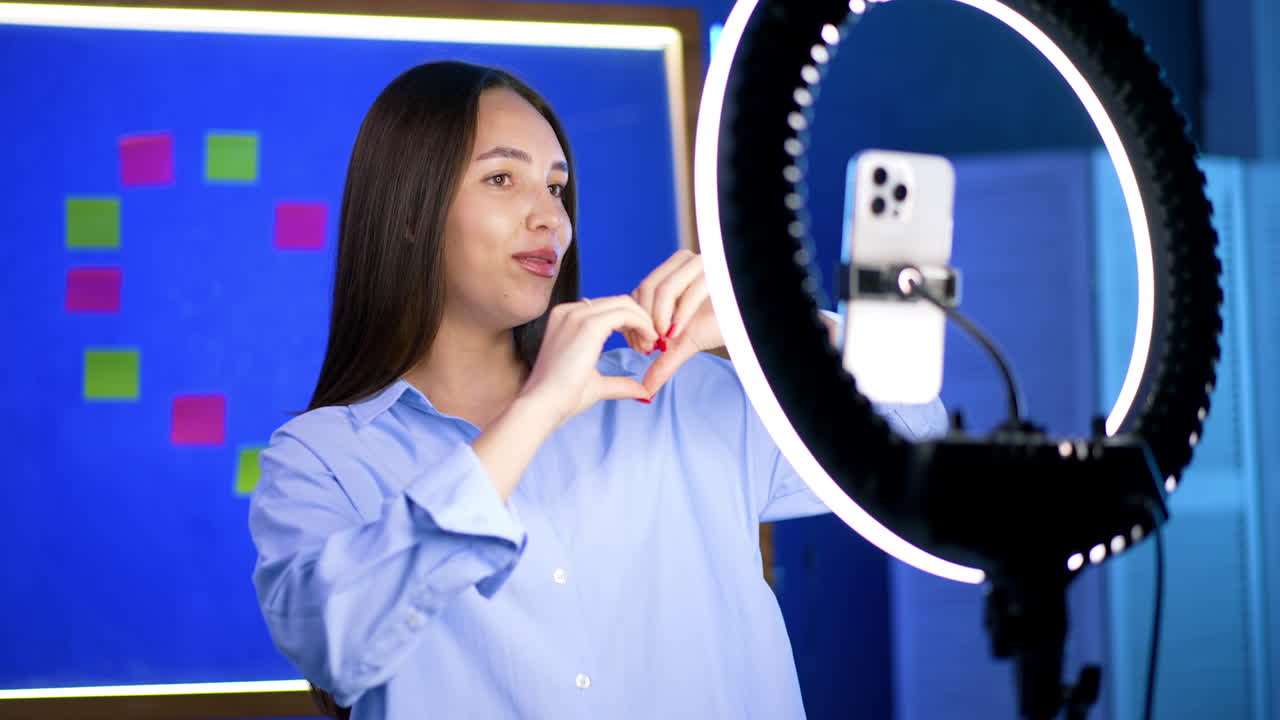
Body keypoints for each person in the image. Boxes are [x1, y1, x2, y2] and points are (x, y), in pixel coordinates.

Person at [248, 60, 946, 720]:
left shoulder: (677, 395)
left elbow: (918, 450)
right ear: (407, 212)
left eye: (555, 186)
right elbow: (333, 642)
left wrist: (768, 330)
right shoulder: (321, 458)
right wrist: (538, 410)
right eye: (502, 181)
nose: (550, 218)